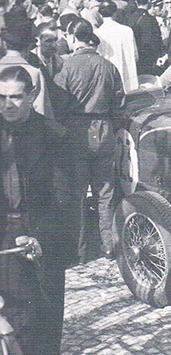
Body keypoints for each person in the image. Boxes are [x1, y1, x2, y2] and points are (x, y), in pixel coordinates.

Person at [0, 65, 74, 355]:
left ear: (32, 95)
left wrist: (40, 237)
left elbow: (66, 200)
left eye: (16, 97)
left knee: (42, 322)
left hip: (40, 238)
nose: (7, 104)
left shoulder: (54, 136)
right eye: (1, 97)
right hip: (3, 235)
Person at [54, 18, 124, 263]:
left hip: (77, 132)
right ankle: (109, 244)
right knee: (106, 191)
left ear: (72, 38)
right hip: (104, 130)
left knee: (78, 193)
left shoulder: (67, 67)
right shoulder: (108, 66)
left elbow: (58, 103)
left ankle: (81, 250)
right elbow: (119, 102)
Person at [0, 17, 52, 118]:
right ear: (28, 47)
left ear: (5, 44)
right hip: (24, 131)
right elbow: (41, 111)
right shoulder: (34, 73)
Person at [96, 0, 138, 93]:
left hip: (109, 79)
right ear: (115, 13)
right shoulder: (127, 31)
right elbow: (135, 56)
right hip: (129, 80)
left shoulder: (97, 33)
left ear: (100, 15)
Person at [123, 0, 164, 75]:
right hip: (146, 64)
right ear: (150, 0)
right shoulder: (150, 20)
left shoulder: (128, 17)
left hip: (132, 62)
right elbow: (155, 43)